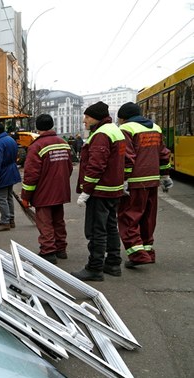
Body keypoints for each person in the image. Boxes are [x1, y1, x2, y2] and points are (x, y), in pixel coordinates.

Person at [71, 101, 126, 281]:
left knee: (97, 230)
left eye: (87, 117)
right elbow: (127, 160)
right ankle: (113, 263)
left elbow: (95, 166)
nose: (84, 120)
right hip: (114, 190)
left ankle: (94, 268)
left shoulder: (101, 134)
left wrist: (86, 191)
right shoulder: (116, 131)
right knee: (111, 227)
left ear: (96, 117)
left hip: (100, 191)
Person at [116, 102, 172, 268]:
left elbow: (127, 156)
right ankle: (148, 252)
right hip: (152, 180)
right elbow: (163, 154)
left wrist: (124, 179)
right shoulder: (155, 128)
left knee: (129, 217)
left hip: (134, 181)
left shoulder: (126, 129)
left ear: (123, 117)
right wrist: (165, 175)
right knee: (148, 217)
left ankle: (138, 256)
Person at [21, 114, 73, 264]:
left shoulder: (36, 146)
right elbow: (68, 168)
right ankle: (61, 249)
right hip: (60, 190)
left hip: (44, 192)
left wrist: (26, 196)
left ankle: (48, 251)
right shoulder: (63, 143)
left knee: (45, 223)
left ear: (37, 128)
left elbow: (31, 175)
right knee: (58, 220)